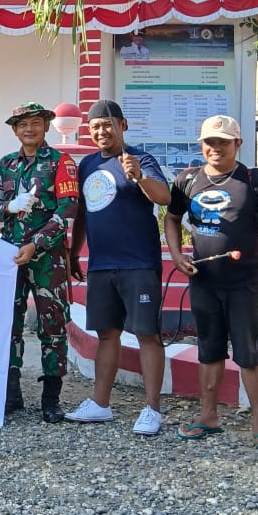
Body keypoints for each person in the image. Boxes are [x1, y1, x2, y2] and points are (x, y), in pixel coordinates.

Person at [164, 114, 258, 452]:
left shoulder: (255, 180)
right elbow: (171, 219)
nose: (215, 148)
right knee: (209, 350)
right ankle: (208, 416)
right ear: (201, 145)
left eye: (223, 142)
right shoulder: (187, 180)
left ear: (238, 144)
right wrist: (176, 255)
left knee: (248, 354)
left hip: (246, 283)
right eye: (210, 142)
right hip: (204, 282)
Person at [65, 100, 171, 435]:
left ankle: (152, 409)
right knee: (106, 334)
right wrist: (74, 253)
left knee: (147, 334)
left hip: (138, 263)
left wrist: (139, 176)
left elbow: (164, 197)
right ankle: (100, 403)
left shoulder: (141, 159)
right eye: (95, 127)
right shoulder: (87, 165)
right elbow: (83, 213)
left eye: (107, 125)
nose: (101, 132)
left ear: (122, 125)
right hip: (101, 264)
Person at [0, 102, 79, 421]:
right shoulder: (6, 164)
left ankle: (51, 399)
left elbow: (68, 210)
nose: (29, 129)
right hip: (10, 256)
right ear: (15, 130)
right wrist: (9, 207)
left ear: (46, 127)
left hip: (47, 259)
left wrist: (36, 243)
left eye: (36, 123)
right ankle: (11, 393)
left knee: (51, 324)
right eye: (23, 124)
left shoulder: (60, 162)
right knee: (9, 323)